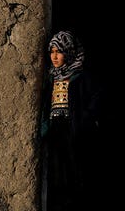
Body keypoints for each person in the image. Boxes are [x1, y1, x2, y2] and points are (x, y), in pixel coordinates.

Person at [39, 30, 101, 211]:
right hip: (54, 131)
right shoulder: (51, 77)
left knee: (76, 172)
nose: (54, 56)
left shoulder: (81, 77)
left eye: (59, 51)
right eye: (51, 52)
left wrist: (85, 119)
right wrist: (44, 127)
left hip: (73, 130)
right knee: (56, 173)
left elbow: (98, 96)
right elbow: (44, 105)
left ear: (69, 52)